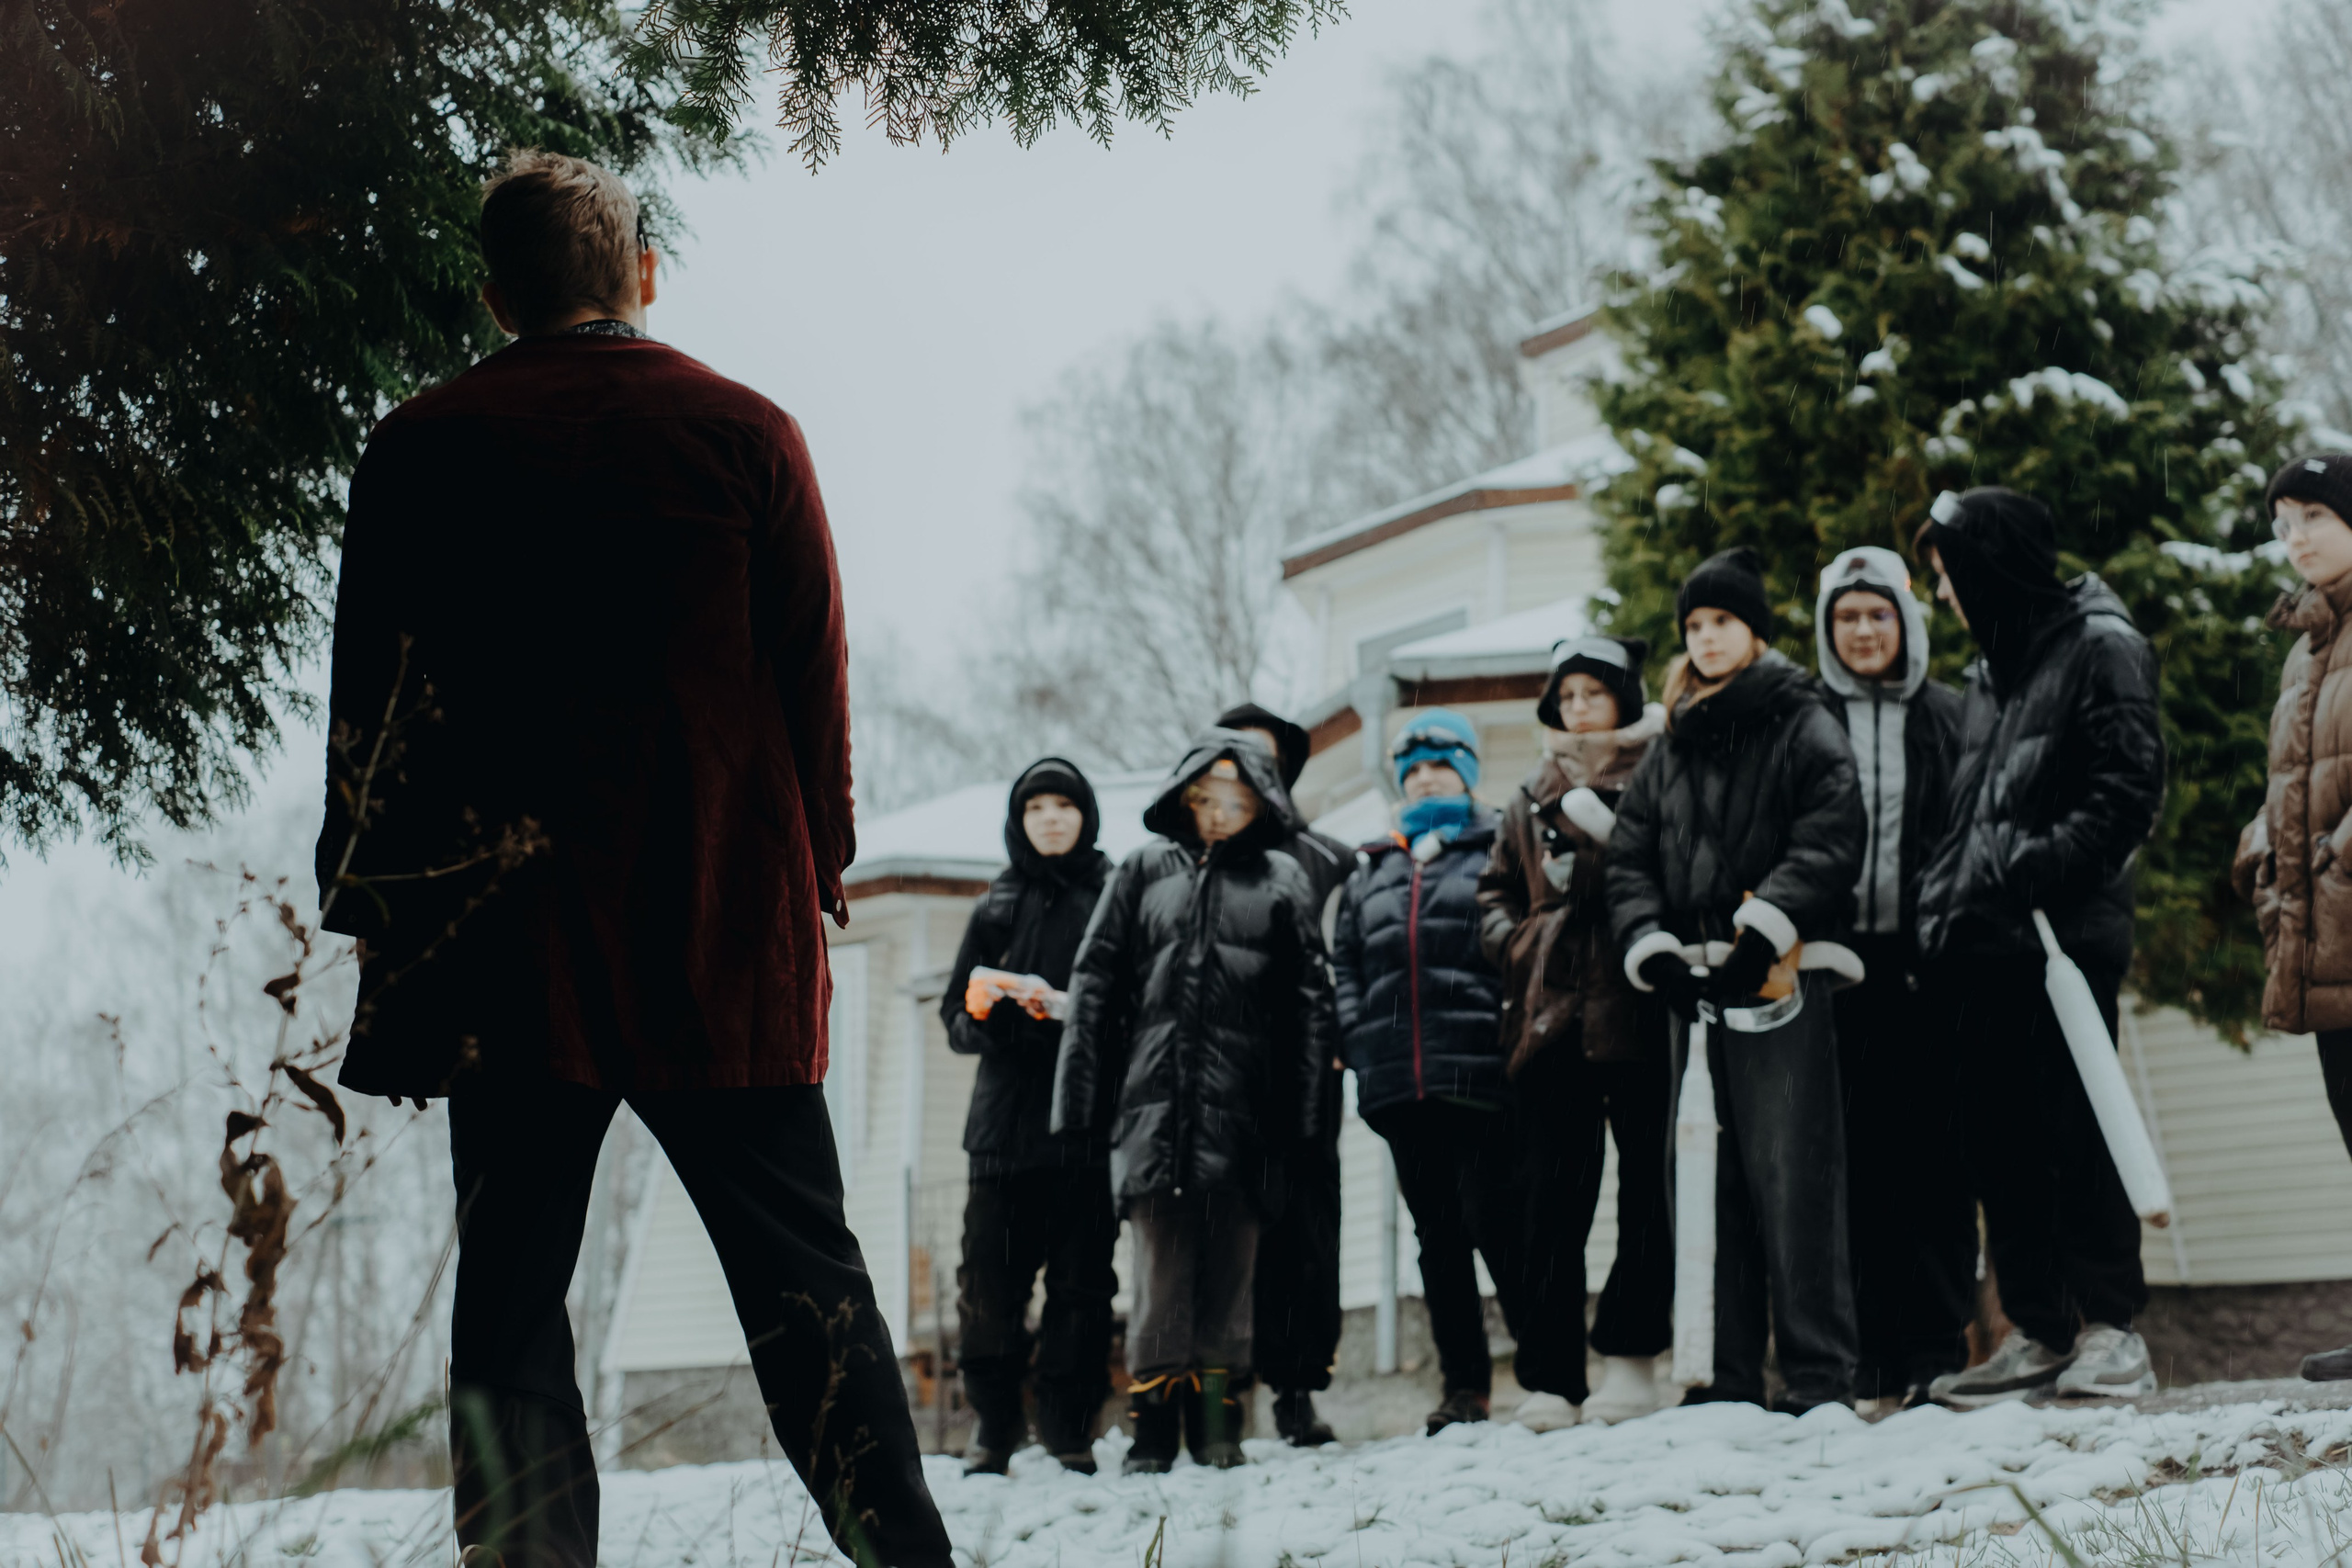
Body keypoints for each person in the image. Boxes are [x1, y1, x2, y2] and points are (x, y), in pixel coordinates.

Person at [315, 152, 950, 1567]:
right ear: (645, 273)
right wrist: (820, 871)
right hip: (721, 925)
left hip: (509, 944)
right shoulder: (747, 430)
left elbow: (376, 705)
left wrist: (376, 915)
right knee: (808, 1287)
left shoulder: (419, 444)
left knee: (511, 1302)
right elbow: (814, 682)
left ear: (496, 297)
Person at [1912, 487, 2165, 1407]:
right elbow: (1973, 813)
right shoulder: (1990, 670)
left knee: (2073, 1131)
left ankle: (2110, 1328)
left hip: (2061, 940)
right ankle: (2042, 1327)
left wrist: (2041, 864)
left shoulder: (2101, 646)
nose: (1943, 592)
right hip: (1980, 941)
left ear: (1991, 567)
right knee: (2000, 1144)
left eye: (1949, 572)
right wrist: (1939, 906)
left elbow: (2128, 788)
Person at [1606, 547, 1867, 1413]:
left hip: (1779, 980)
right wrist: (1654, 950)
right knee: (1704, 1178)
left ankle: (1819, 1372)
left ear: (1754, 630)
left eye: (1722, 620)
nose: (1707, 637)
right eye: (1694, 624)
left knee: (1794, 1177)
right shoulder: (1671, 742)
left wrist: (1765, 931)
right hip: (1694, 991)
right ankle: (1722, 1376)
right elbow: (1630, 857)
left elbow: (1831, 830)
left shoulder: (1802, 719)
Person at [1051, 731, 1335, 1473]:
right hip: (1153, 1111)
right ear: (1184, 798)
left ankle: (1218, 1426)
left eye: (1236, 800)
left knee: (1232, 1274)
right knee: (1162, 1274)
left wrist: (1305, 1117)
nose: (1219, 812)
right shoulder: (1144, 869)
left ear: (1261, 805)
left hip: (1247, 1115)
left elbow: (1310, 1004)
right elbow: (1094, 982)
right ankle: (1151, 1428)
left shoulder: (1280, 878)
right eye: (1206, 798)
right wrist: (1078, 1102)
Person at [1476, 638, 1673, 1429]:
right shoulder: (1532, 789)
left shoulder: (1660, 770)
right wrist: (1519, 941)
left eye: (1594, 692)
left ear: (1625, 697)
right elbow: (1493, 890)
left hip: (1640, 1007)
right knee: (1549, 1204)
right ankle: (1551, 1376)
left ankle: (1632, 1358)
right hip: (1549, 1018)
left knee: (1648, 1195)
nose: (1579, 707)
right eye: (1567, 695)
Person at [1811, 549, 1976, 1411]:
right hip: (1834, 975)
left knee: (1937, 1165)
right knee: (1854, 1166)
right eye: (1847, 617)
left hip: (1928, 971)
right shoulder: (1807, 719)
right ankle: (1866, 1354)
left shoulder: (1949, 713)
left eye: (1879, 614)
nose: (1864, 631)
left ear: (1906, 623)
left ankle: (1937, 1348)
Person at [1332, 711, 1518, 1435]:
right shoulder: (1375, 866)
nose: (1426, 779)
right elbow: (1347, 963)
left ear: (1467, 772)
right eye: (1413, 770)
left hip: (1481, 1072)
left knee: (1499, 1223)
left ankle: (1545, 1367)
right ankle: (1464, 1385)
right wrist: (1358, 1036)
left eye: (1441, 765)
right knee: (1437, 1237)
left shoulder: (1498, 845)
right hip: (1399, 1085)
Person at [942, 760, 1118, 1474]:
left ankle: (1069, 1430)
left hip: (1084, 1128)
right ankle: (994, 1427)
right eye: (1036, 806)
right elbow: (955, 1015)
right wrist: (989, 1019)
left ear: (1085, 816)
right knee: (988, 1288)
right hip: (1001, 1134)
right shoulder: (996, 901)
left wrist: (1074, 1015)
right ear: (1019, 820)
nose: (1050, 818)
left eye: (1063, 805)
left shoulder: (1113, 895)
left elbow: (1135, 1004)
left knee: (1082, 1288)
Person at [2235, 454, 2352, 1382]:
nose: (2296, 537)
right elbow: (2292, 780)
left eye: (2314, 514)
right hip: (2325, 930)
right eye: (2282, 522)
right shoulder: (2306, 644)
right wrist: (2260, 854)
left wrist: (2338, 858)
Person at [1215, 703, 1351, 1447]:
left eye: (1264, 754)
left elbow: (1354, 961)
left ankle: (1296, 1388)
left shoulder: (1329, 858)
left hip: (1305, 1073)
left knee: (1304, 1229)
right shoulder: (1183, 859)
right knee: (1221, 1229)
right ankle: (1219, 1391)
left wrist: (1341, 1038)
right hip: (1216, 1072)